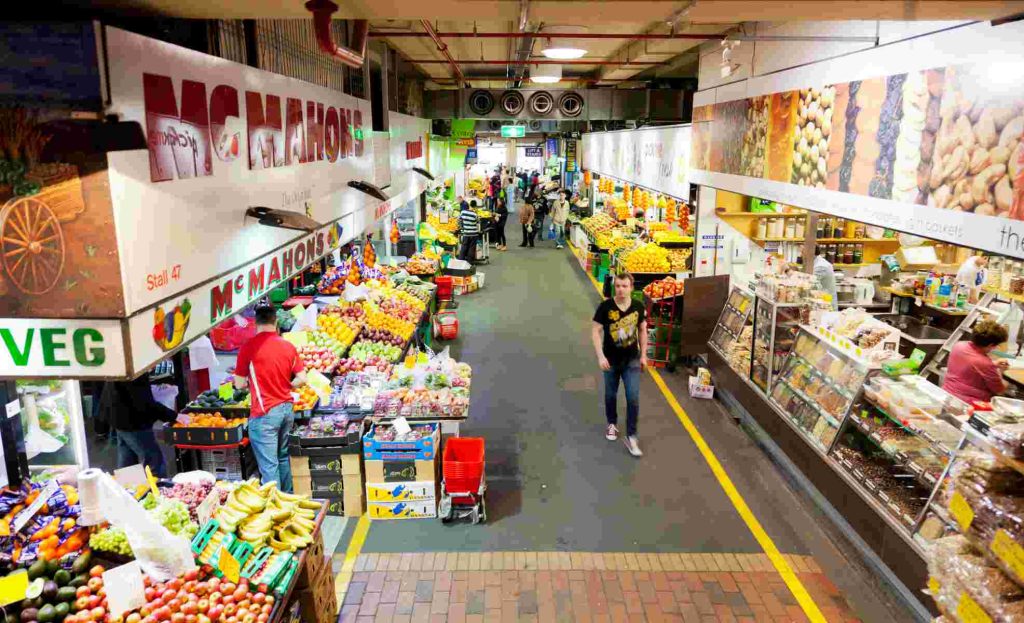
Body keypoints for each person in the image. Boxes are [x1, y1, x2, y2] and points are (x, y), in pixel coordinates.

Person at [234, 306, 307, 492]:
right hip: (286, 410)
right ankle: (288, 501)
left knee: (269, 465)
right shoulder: (287, 345)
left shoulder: (248, 348)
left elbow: (239, 384)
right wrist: (287, 385)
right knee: (283, 457)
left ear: (255, 324)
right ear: (276, 323)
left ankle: (275, 509)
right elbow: (302, 379)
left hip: (264, 412)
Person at [591, 272, 648, 457]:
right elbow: (595, 331)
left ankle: (632, 436)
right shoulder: (605, 307)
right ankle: (612, 424)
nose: (621, 290)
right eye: (617, 286)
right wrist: (600, 356)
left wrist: (644, 356)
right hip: (611, 361)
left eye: (624, 286)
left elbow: (642, 330)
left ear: (631, 288)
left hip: (631, 360)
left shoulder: (638, 307)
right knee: (610, 394)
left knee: (633, 397)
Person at [99, 376, 187, 476]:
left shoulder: (121, 366)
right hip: (133, 421)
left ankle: (127, 488)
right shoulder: (134, 371)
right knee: (154, 461)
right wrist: (174, 416)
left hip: (118, 417)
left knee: (127, 462)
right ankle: (158, 489)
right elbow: (144, 403)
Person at [943, 319, 1010, 404]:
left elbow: (971, 366)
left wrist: (994, 364)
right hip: (969, 405)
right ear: (990, 345)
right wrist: (1001, 371)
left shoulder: (959, 346)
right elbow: (999, 390)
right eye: (996, 346)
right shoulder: (984, 363)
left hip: (947, 395)